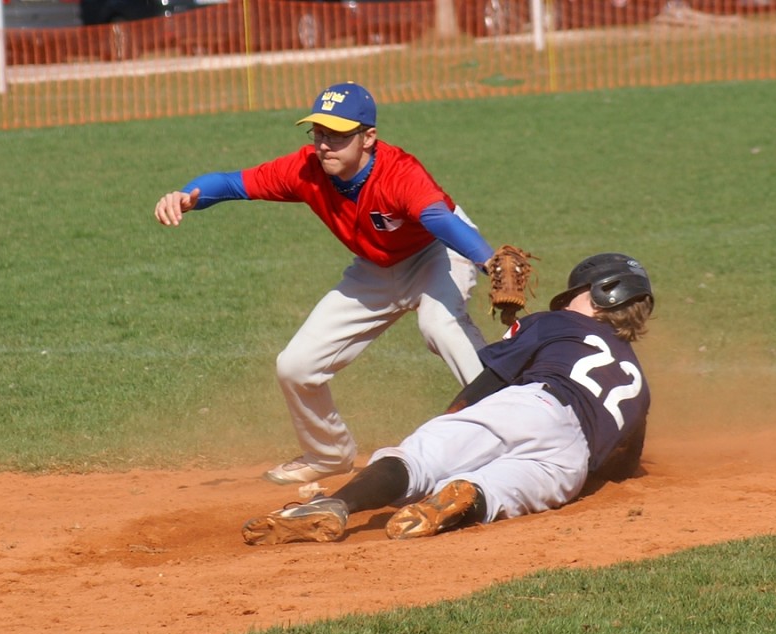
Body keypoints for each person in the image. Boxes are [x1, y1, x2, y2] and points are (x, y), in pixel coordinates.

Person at [155, 82, 500, 485]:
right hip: (375, 268)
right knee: (296, 366)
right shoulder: (306, 170)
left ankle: (509, 425)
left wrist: (488, 260)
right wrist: (187, 196)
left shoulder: (399, 173)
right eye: (318, 132)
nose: (324, 144)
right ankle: (328, 454)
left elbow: (440, 220)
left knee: (439, 326)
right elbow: (234, 183)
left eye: (336, 134)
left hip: (436, 253)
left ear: (368, 137)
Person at [241, 253, 654, 545]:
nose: (567, 301)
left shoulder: (555, 321)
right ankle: (464, 494)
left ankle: (335, 504)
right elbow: (623, 462)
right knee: (496, 491)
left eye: (574, 294)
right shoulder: (640, 387)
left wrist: (449, 420)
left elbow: (491, 378)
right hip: (570, 461)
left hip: (534, 405)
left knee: (420, 459)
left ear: (600, 295)